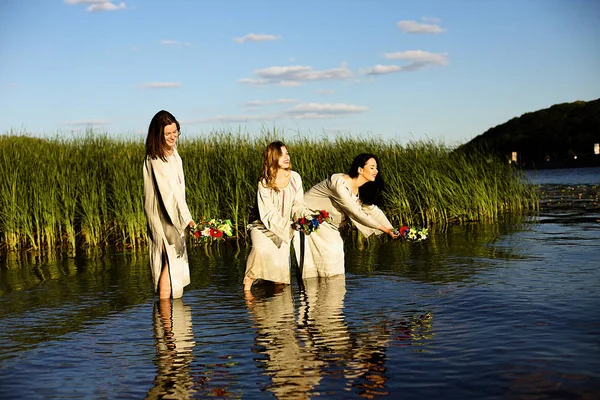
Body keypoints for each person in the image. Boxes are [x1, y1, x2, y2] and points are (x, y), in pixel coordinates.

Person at [295, 153, 398, 278]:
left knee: (336, 253)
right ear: (360, 169)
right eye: (372, 167)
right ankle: (315, 288)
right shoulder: (339, 184)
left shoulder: (360, 188)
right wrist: (385, 229)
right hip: (309, 215)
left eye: (376, 167)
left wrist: (392, 229)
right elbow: (356, 212)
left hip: (328, 223)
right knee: (333, 248)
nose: (376, 171)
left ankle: (331, 289)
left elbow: (372, 210)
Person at [243, 141, 312, 291]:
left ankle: (280, 302)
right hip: (261, 225)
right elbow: (268, 214)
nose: (286, 157)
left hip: (286, 228)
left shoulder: (295, 178)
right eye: (281, 154)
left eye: (287, 153)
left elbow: (298, 204)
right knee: (260, 249)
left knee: (280, 273)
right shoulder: (264, 183)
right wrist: (289, 226)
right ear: (273, 157)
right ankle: (247, 292)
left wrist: (306, 216)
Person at [143, 110, 196, 299]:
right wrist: (187, 219)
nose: (173, 137)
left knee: (173, 259)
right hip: (161, 215)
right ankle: (166, 320)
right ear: (158, 135)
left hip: (174, 212)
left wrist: (186, 217)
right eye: (168, 134)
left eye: (176, 132)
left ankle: (169, 316)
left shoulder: (174, 154)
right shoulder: (156, 158)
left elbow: (178, 190)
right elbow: (169, 193)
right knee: (169, 260)